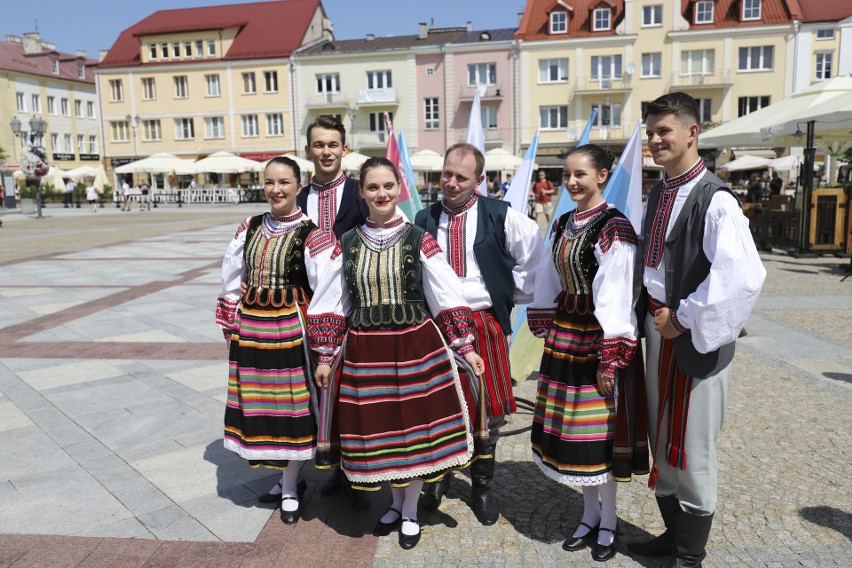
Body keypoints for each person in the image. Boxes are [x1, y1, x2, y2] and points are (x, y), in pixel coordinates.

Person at [307, 157, 485, 549]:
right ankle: (395, 501)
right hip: (366, 350)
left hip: (414, 346)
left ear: (398, 188)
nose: (382, 194)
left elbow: (444, 295)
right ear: (361, 192)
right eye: (373, 187)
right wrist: (325, 354)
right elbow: (334, 302)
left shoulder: (418, 237)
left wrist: (465, 347)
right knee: (381, 427)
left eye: (388, 186)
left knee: (415, 429)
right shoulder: (347, 243)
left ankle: (408, 511)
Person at [629, 92, 765, 566]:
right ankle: (672, 535)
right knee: (662, 434)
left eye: (664, 130)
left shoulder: (716, 199)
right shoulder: (661, 191)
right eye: (650, 131)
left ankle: (689, 555)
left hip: (689, 336)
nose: (655, 140)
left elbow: (742, 278)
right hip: (658, 331)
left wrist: (682, 319)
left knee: (694, 443)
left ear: (692, 133)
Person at [527, 144, 648, 562]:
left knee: (598, 436)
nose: (573, 182)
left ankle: (609, 521)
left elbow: (617, 294)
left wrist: (611, 355)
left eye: (581, 174)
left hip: (597, 340)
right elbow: (547, 275)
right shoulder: (562, 222)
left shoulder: (614, 227)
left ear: (602, 175)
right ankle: (588, 514)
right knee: (574, 432)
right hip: (565, 335)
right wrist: (544, 319)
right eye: (568, 175)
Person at [414, 143, 543, 525]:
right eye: (446, 174)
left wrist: (506, 295)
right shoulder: (423, 217)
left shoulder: (500, 214)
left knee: (488, 410)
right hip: (436, 326)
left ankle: (482, 486)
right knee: (436, 406)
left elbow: (534, 257)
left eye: (461, 177)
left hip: (482, 321)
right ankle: (436, 479)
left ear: (479, 180)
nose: (451, 183)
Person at [251, 114, 370, 509]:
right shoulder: (295, 196)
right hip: (302, 310)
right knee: (301, 393)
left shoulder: (361, 191)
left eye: (333, 144)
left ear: (344, 149)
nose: (326, 151)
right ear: (308, 151)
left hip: (355, 305)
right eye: (319, 145)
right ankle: (300, 468)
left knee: (350, 392)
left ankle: (350, 472)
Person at [216, 156, 335, 526]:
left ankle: (288, 486)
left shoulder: (313, 235)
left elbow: (328, 290)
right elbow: (232, 275)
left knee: (292, 407)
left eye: (284, 182)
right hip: (252, 329)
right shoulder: (249, 227)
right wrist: (231, 317)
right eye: (269, 182)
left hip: (290, 331)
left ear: (299, 186)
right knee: (262, 404)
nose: (276, 189)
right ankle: (286, 479)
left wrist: (324, 345)